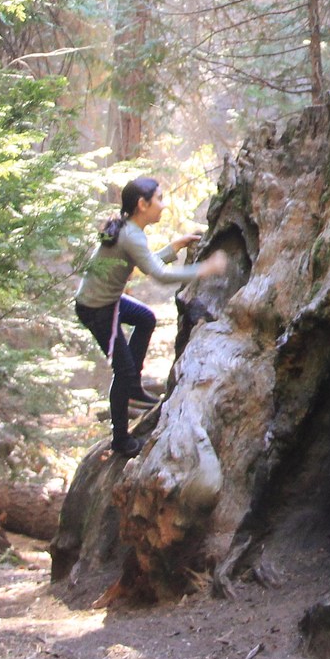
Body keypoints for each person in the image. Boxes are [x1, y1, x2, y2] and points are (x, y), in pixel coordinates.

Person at [75, 178, 226, 458]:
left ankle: (133, 388)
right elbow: (159, 274)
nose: (163, 204)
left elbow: (148, 262)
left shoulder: (130, 231)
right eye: (159, 199)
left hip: (106, 300)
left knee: (145, 319)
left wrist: (173, 248)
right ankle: (121, 439)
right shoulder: (131, 234)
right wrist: (205, 268)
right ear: (142, 205)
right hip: (98, 309)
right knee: (123, 370)